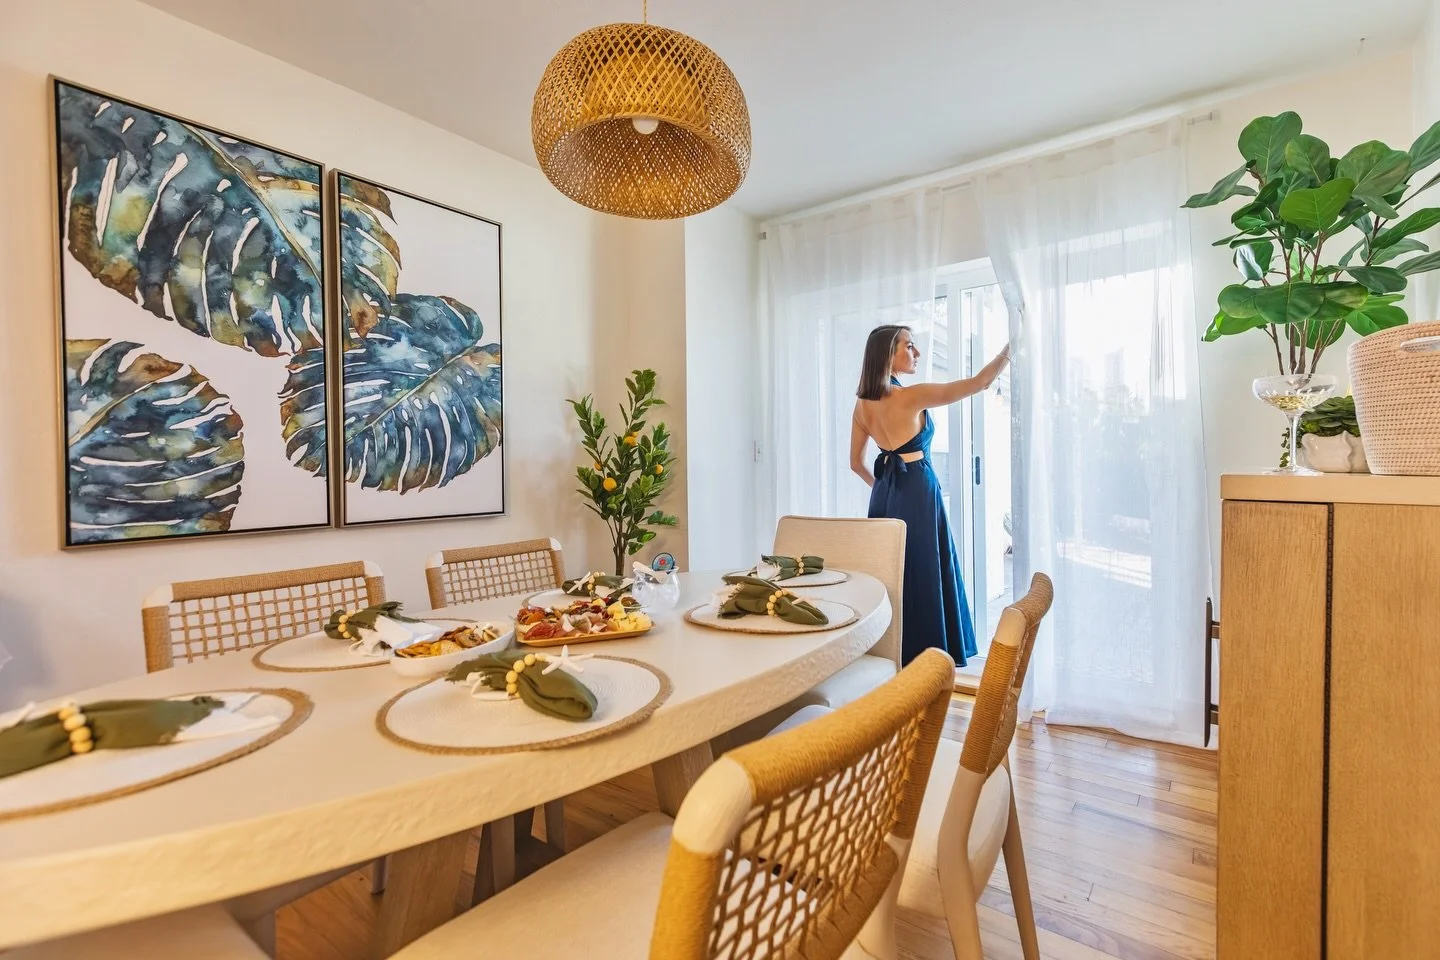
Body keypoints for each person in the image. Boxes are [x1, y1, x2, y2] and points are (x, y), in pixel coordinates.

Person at [851, 324, 1010, 666]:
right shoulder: (910, 396)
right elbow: (980, 383)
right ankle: (929, 664)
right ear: (887, 355)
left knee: (893, 575)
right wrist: (1012, 347)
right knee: (924, 570)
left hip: (885, 498)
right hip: (918, 492)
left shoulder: (862, 406)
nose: (917, 353)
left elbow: (855, 463)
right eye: (909, 346)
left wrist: (884, 489)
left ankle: (892, 658)